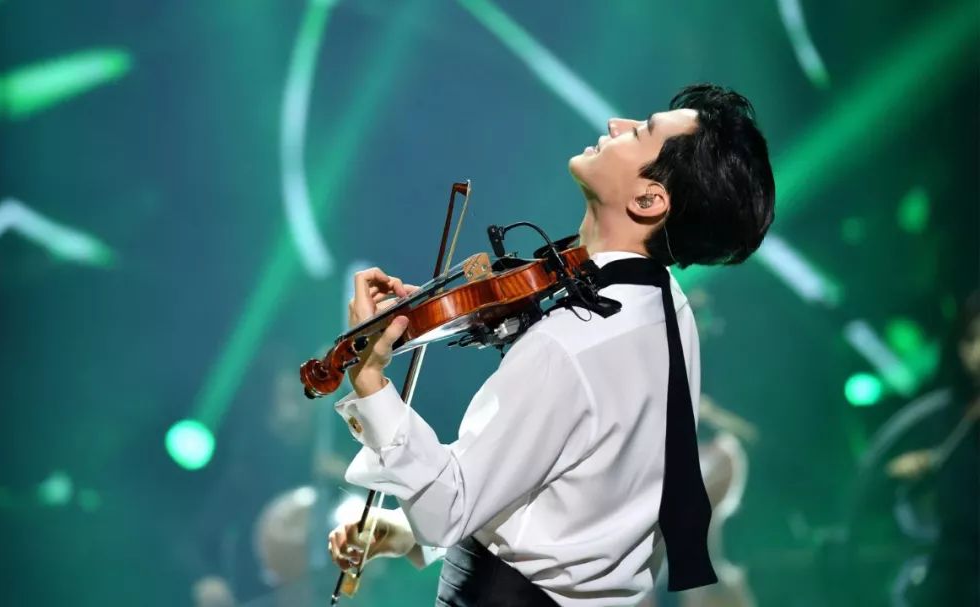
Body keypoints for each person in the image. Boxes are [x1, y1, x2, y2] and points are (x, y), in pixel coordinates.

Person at [327, 84, 775, 606]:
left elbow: (447, 508)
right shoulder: (669, 312)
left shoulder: (571, 344)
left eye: (641, 132)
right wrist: (409, 534)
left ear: (649, 200)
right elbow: (581, 501)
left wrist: (370, 381)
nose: (616, 124)